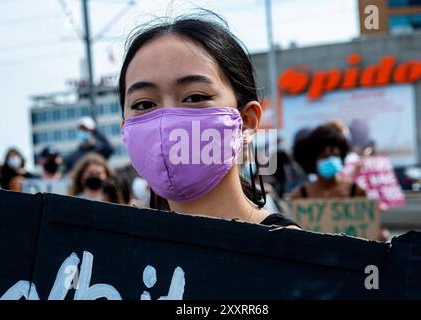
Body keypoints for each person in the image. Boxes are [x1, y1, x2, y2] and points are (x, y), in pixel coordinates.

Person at [118, 13, 299, 228]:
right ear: (124, 130)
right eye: (144, 104)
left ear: (247, 122)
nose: (166, 123)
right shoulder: (119, 252)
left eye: (195, 97)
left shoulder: (289, 254)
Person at [290, 124, 366, 199]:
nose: (331, 160)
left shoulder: (357, 192)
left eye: (335, 156)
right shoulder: (300, 196)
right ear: (313, 160)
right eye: (324, 156)